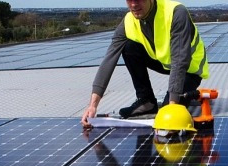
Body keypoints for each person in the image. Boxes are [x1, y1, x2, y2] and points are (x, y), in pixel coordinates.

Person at [81, 0, 209, 128]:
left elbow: (180, 60)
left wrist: (172, 105)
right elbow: (109, 59)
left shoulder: (176, 12)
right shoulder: (128, 21)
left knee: (166, 113)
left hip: (190, 68)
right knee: (128, 47)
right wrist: (92, 106)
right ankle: (146, 101)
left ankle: (170, 101)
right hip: (164, 62)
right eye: (129, 0)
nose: (133, 4)